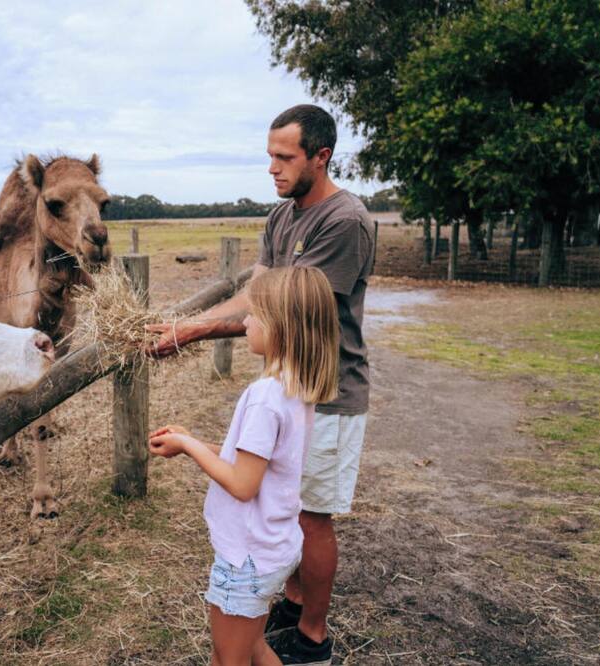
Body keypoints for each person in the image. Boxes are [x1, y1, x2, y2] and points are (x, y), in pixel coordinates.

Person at [147, 104, 374, 664]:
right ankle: (287, 600)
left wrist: (192, 332)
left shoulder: (344, 222)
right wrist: (191, 324)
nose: (272, 168)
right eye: (269, 156)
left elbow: (289, 309)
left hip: (330, 391)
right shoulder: (281, 217)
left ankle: (312, 637)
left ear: (321, 157)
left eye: (284, 157)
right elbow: (259, 293)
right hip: (295, 382)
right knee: (285, 507)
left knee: (312, 515)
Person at [149, 266, 339, 666]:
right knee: (252, 646)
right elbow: (257, 460)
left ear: (282, 327)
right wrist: (196, 442)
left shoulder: (265, 396)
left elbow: (242, 483)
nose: (246, 321)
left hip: (247, 558)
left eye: (256, 314)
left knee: (226, 658)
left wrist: (186, 445)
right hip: (275, 546)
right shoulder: (297, 387)